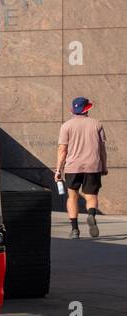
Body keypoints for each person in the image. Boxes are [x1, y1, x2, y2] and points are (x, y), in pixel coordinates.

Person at [56, 97, 108, 239]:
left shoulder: (66, 126)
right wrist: (103, 165)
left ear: (73, 109)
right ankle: (91, 215)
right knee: (91, 196)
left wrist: (58, 170)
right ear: (87, 109)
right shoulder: (97, 124)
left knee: (72, 196)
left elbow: (62, 150)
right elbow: (102, 149)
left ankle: (75, 230)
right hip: (93, 166)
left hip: (72, 167)